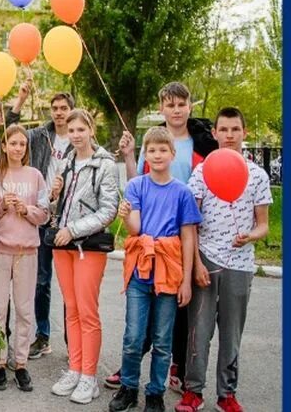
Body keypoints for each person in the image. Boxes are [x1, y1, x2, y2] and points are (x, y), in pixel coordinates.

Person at [115, 82, 217, 392]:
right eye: (169, 105)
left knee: (175, 316)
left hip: (186, 228)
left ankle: (175, 368)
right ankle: (130, 375)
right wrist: (131, 155)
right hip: (150, 234)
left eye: (180, 104)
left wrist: (192, 265)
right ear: (162, 109)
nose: (175, 110)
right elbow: (138, 186)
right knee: (139, 325)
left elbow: (213, 183)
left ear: (189, 107)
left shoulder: (202, 142)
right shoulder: (153, 143)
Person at [175, 108, 271, 412]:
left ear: (244, 133)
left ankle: (226, 394)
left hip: (240, 265)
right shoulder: (202, 172)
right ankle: (193, 391)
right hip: (206, 259)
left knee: (232, 333)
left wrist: (251, 236)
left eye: (235, 130)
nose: (229, 136)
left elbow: (263, 223)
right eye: (224, 130)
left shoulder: (257, 175)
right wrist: (197, 264)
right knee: (198, 330)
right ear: (214, 134)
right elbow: (190, 222)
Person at [109, 126, 200, 412]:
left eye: (163, 149)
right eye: (152, 150)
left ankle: (155, 392)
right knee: (134, 336)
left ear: (173, 154)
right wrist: (126, 216)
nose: (157, 155)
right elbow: (135, 228)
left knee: (162, 340)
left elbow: (188, 237)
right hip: (141, 270)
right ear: (145, 156)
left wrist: (186, 281)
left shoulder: (183, 192)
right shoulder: (136, 186)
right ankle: (128, 387)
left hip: (169, 272)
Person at [47, 110, 119, 405]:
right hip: (62, 246)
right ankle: (75, 369)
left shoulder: (106, 164)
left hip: (87, 246)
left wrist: (73, 230)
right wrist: (52, 197)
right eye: (71, 130)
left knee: (88, 311)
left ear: (91, 129)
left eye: (81, 129)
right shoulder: (65, 162)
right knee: (71, 309)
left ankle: (89, 375)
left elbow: (109, 209)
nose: (76, 134)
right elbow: (55, 208)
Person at [8, 85, 75, 360]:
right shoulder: (39, 135)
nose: (59, 113)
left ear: (71, 111)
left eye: (64, 109)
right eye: (55, 109)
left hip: (70, 220)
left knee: (71, 286)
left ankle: (75, 343)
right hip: (42, 218)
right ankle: (43, 336)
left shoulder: (79, 137)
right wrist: (22, 97)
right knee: (42, 282)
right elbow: (11, 127)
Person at [0, 124, 50, 392]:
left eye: (22, 144)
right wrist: (2, 206)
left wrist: (27, 210)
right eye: (12, 143)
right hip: (1, 250)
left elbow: (45, 213)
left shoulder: (35, 176)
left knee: (25, 310)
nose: (17, 148)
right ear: (4, 146)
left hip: (27, 251)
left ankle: (21, 364)